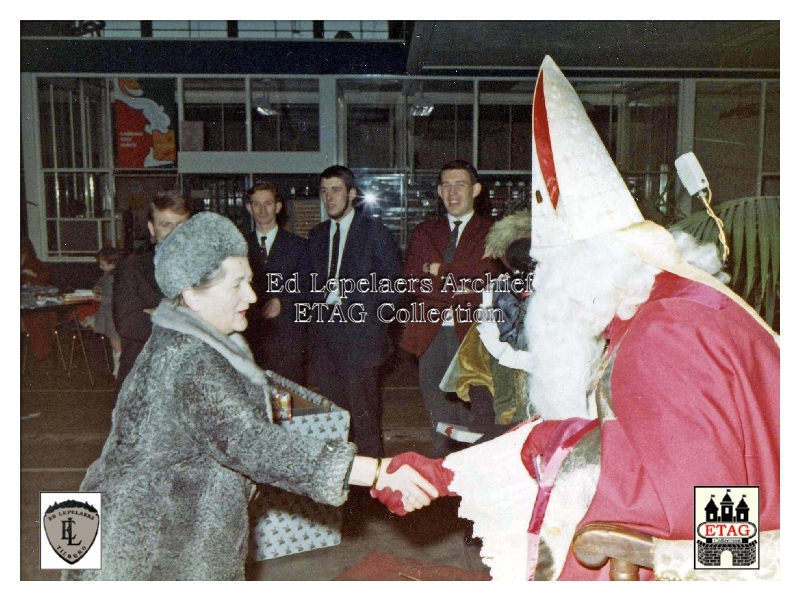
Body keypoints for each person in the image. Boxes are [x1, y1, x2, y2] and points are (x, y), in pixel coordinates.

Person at [372, 56, 779, 581]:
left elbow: (714, 511)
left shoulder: (667, 334)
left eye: (549, 269)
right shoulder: (652, 308)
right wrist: (450, 474)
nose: (541, 288)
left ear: (588, 267)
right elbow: (590, 438)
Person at [64, 212, 437, 581]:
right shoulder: (189, 358)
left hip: (161, 534)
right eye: (237, 285)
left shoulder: (191, 341)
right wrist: (373, 471)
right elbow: (250, 442)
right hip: (151, 551)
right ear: (192, 295)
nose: (252, 295)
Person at [400, 160, 503, 457]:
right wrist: (462, 284)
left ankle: (472, 481)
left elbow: (490, 280)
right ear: (439, 191)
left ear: (476, 189)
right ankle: (443, 478)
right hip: (429, 335)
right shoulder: (425, 232)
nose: (452, 192)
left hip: (475, 335)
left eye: (460, 184)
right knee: (439, 414)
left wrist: (441, 270)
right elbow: (413, 282)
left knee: (478, 416)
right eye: (446, 185)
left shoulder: (493, 232)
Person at [304, 165, 402, 458]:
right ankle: (341, 481)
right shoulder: (317, 235)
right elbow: (308, 284)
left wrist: (360, 308)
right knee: (334, 416)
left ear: (352, 194)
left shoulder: (375, 233)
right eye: (324, 191)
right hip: (325, 338)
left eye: (335, 190)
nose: (329, 197)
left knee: (364, 418)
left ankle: (371, 490)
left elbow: (394, 286)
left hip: (360, 339)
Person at [112, 190, 191, 387]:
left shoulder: (206, 270)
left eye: (181, 225)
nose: (174, 233)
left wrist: (156, 312)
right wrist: (189, 318)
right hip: (143, 377)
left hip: (190, 375)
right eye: (166, 225)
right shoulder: (132, 268)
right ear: (152, 228)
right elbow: (129, 323)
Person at [243, 182, 308, 384]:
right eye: (257, 204)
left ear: (278, 207)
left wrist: (283, 302)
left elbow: (308, 285)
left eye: (268, 203)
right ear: (249, 208)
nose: (262, 210)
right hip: (250, 339)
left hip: (287, 340)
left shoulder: (299, 246)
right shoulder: (239, 246)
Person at [83, 247, 126, 378]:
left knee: (115, 340)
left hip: (114, 313)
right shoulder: (107, 274)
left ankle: (119, 369)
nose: (100, 266)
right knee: (113, 340)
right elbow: (101, 283)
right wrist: (97, 287)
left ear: (113, 263)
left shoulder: (118, 276)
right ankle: (117, 367)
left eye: (103, 264)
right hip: (107, 313)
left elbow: (118, 297)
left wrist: (102, 298)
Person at [21, 235, 56, 362]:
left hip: (32, 305)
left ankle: (43, 351)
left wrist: (31, 275)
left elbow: (43, 281)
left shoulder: (34, 263)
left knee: (36, 317)